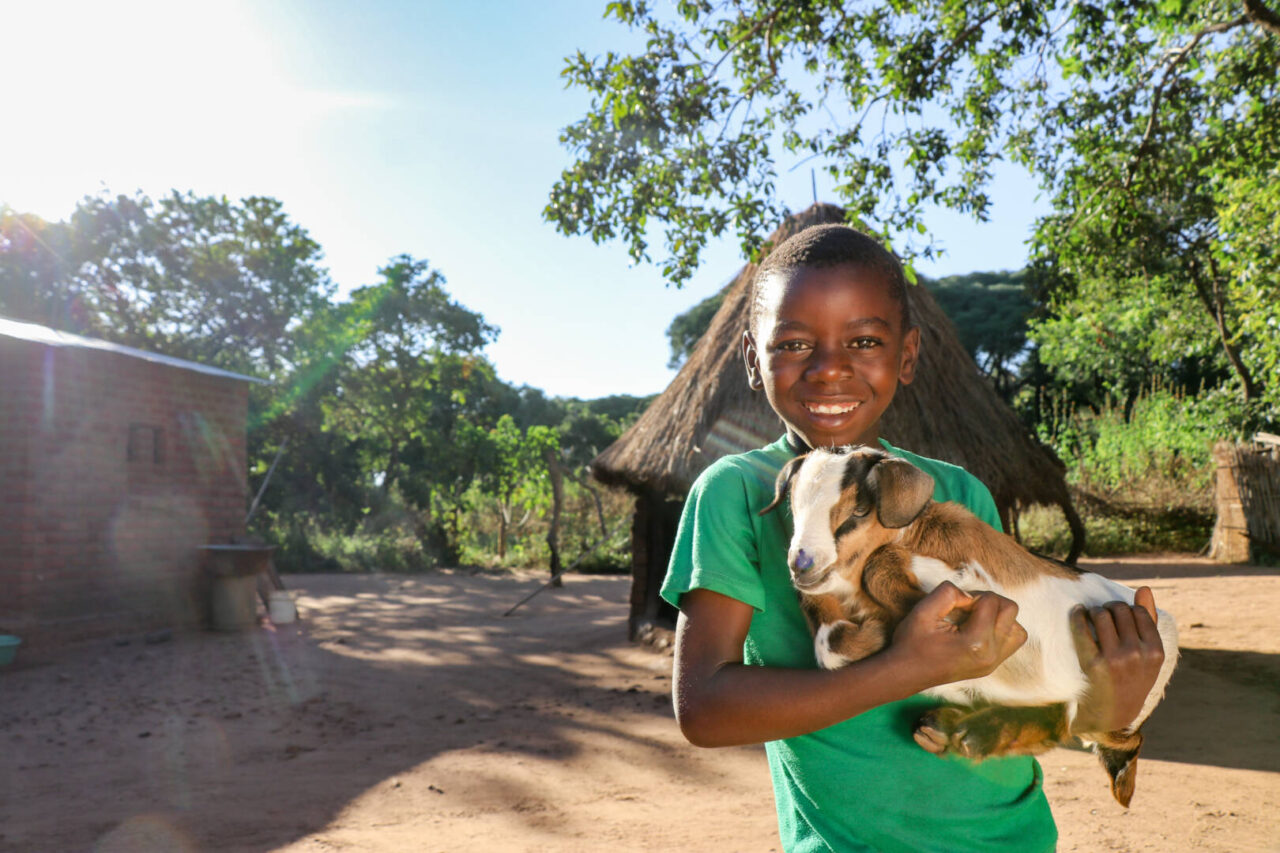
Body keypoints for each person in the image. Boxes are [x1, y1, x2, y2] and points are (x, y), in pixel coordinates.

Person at [661, 224, 1167, 852]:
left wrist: (1111, 713)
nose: (829, 369)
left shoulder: (955, 493)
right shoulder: (736, 492)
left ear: (906, 356)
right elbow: (704, 709)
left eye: (865, 340)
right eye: (793, 344)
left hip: (1011, 837)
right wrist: (905, 667)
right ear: (750, 357)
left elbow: (1010, 670)